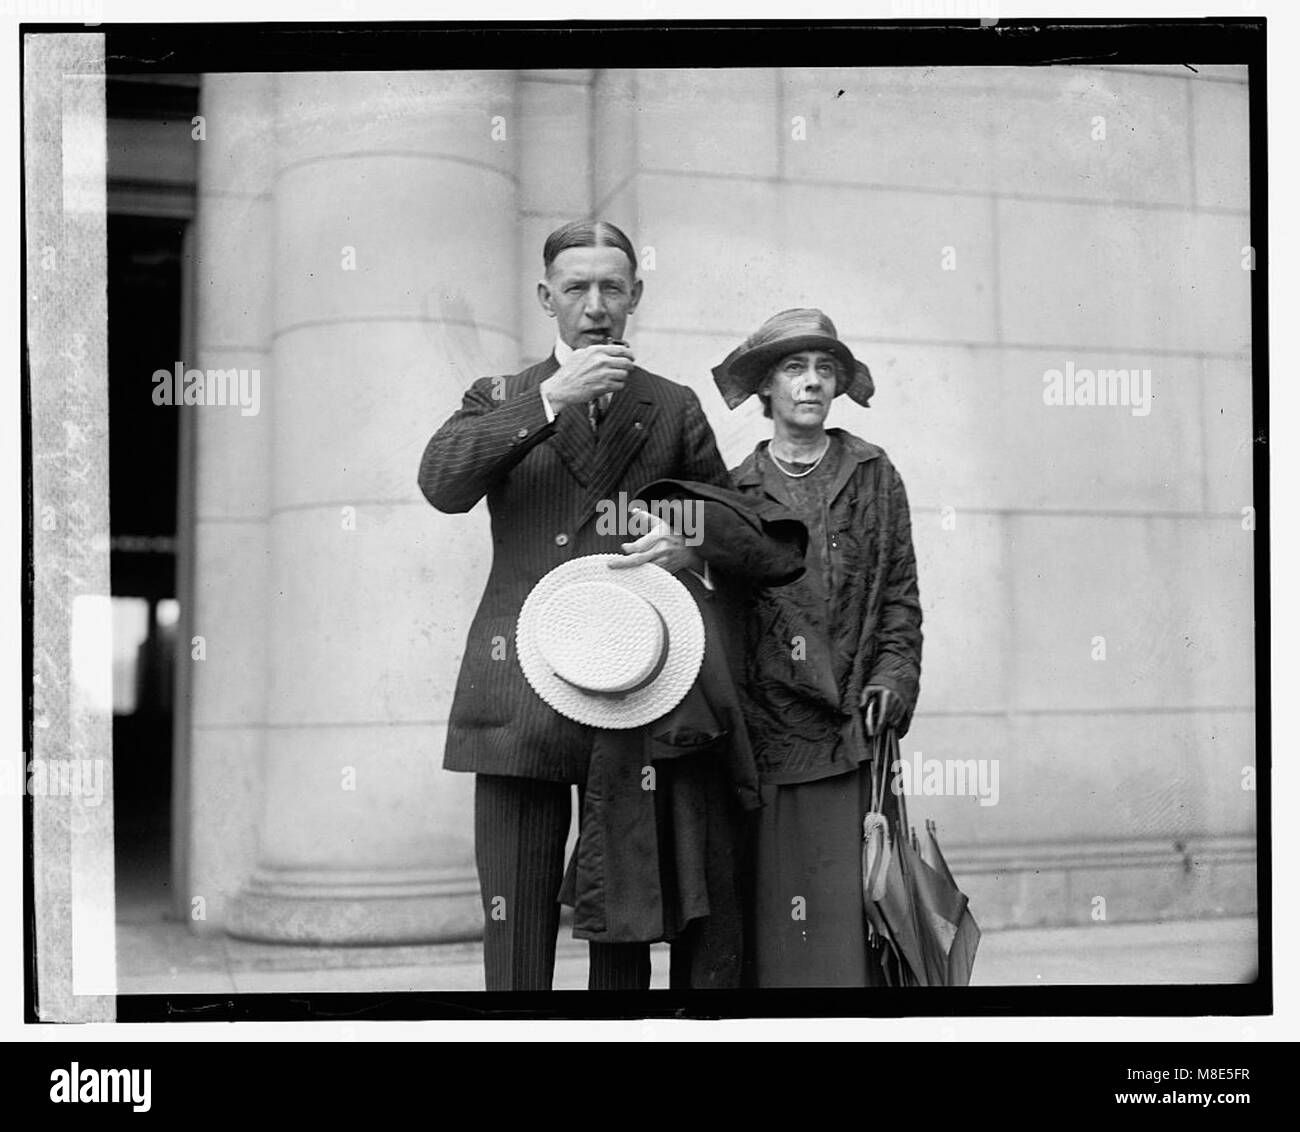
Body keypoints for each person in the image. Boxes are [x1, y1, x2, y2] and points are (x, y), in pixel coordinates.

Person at [417, 219, 735, 991]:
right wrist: (549, 401)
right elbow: (442, 483)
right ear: (545, 297)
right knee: (514, 929)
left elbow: (725, 520)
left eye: (612, 288)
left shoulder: (671, 405)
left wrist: (686, 542)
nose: (595, 306)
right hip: (516, 694)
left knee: (620, 927)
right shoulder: (500, 395)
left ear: (636, 296)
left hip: (630, 692)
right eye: (576, 289)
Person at [712, 308, 924, 988]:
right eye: (793, 369)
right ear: (765, 389)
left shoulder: (872, 473)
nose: (811, 383)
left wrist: (893, 677)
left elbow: (900, 592)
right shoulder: (736, 488)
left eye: (824, 370)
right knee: (781, 922)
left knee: (852, 920)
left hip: (853, 732)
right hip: (769, 736)